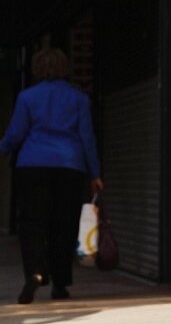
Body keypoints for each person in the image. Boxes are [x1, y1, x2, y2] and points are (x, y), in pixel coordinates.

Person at [0, 47, 103, 304]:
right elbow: (87, 138)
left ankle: (34, 272)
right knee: (64, 223)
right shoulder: (78, 98)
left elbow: (15, 134)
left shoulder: (27, 97)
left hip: (32, 166)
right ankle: (59, 284)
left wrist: (2, 149)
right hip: (70, 166)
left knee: (32, 222)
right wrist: (95, 173)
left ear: (37, 69)